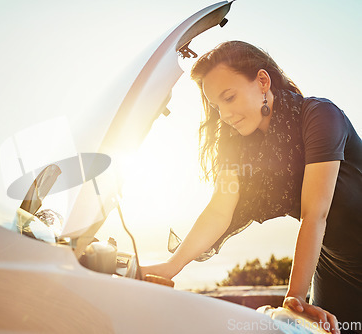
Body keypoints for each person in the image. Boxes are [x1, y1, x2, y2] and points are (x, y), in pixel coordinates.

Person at [142, 41, 361, 334]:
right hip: (334, 267)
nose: (223, 114)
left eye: (229, 97)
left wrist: (294, 297)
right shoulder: (237, 146)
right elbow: (220, 211)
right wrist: (171, 266)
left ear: (262, 81)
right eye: (216, 106)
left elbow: (315, 213)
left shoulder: (320, 115)